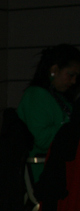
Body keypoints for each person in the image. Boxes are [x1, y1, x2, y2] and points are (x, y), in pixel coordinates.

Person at [17, 43, 80, 182]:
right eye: (70, 75)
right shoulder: (36, 95)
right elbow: (42, 139)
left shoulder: (58, 96)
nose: (74, 81)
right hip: (45, 171)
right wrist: (71, 129)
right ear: (54, 70)